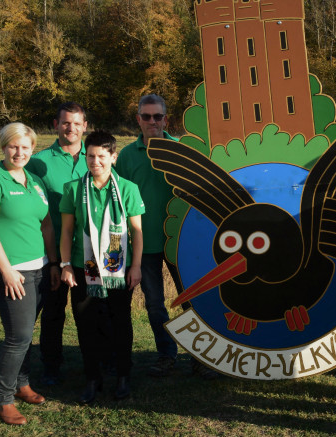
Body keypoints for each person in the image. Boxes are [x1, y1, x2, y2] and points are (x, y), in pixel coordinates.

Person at [115, 94, 218, 379]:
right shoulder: (126, 156)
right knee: (155, 304)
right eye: (146, 116)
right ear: (138, 119)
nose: (152, 121)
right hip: (143, 246)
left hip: (181, 244)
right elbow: (119, 200)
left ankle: (202, 358)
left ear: (166, 120)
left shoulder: (180, 150)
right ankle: (166, 355)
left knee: (192, 301)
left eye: (157, 116)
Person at [0, 123, 60, 425]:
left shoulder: (34, 180)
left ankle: (22, 384)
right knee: (18, 335)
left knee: (26, 332)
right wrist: (7, 270)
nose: (19, 152)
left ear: (32, 148)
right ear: (3, 147)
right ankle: (4, 400)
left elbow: (46, 224)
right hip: (9, 271)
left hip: (38, 267)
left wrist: (54, 262)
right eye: (13, 146)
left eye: (25, 147)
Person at [59, 131, 144, 403]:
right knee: (86, 325)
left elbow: (137, 232)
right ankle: (92, 378)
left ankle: (123, 376)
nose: (95, 161)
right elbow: (66, 232)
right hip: (83, 268)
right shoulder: (73, 188)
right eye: (90, 156)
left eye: (101, 156)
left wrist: (137, 266)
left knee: (121, 323)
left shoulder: (128, 188)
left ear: (113, 157)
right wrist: (65, 265)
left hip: (119, 271)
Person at [26, 102, 89, 385]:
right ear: (56, 125)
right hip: (53, 252)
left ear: (85, 126)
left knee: (90, 311)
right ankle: (51, 365)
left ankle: (99, 362)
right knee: (53, 311)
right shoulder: (38, 161)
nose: (71, 128)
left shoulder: (98, 157)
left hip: (89, 252)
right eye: (65, 123)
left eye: (77, 123)